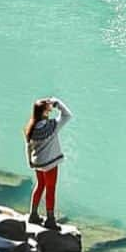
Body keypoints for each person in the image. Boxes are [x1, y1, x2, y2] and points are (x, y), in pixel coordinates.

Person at [24, 96, 72, 229]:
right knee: (51, 189)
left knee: (40, 185)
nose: (50, 109)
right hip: (50, 163)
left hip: (38, 163)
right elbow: (67, 115)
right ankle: (50, 219)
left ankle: (33, 214)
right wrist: (57, 103)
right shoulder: (52, 126)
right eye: (48, 108)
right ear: (44, 112)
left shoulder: (31, 128)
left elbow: (28, 147)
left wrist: (30, 161)